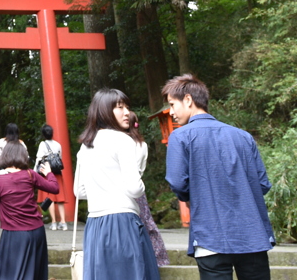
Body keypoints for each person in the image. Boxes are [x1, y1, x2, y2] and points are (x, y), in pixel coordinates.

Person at [162, 74, 275, 280]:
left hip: (210, 234)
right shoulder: (243, 136)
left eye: (172, 104)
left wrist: (198, 195)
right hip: (252, 235)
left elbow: (178, 182)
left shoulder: (181, 136)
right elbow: (262, 184)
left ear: (188, 100)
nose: (171, 112)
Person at [74, 88, 160, 280]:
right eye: (119, 107)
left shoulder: (86, 144)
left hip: (95, 224)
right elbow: (135, 188)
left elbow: (79, 191)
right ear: (104, 111)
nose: (126, 112)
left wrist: (104, 189)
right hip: (122, 222)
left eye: (127, 107)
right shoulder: (123, 140)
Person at [0, 141, 59, 280]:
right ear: (23, 156)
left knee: (9, 274)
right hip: (36, 231)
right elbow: (54, 188)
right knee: (34, 273)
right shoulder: (30, 174)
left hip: (13, 233)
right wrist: (49, 173)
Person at [126, 112, 169, 267]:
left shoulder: (122, 143)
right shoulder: (142, 144)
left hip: (123, 188)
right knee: (146, 222)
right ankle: (157, 257)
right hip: (138, 185)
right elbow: (141, 168)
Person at [34, 124, 67, 231]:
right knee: (60, 199)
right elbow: (59, 158)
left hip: (47, 173)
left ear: (43, 134)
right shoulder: (58, 144)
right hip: (57, 173)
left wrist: (34, 172)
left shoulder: (42, 144)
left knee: (50, 198)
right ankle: (63, 222)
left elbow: (39, 158)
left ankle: (54, 223)